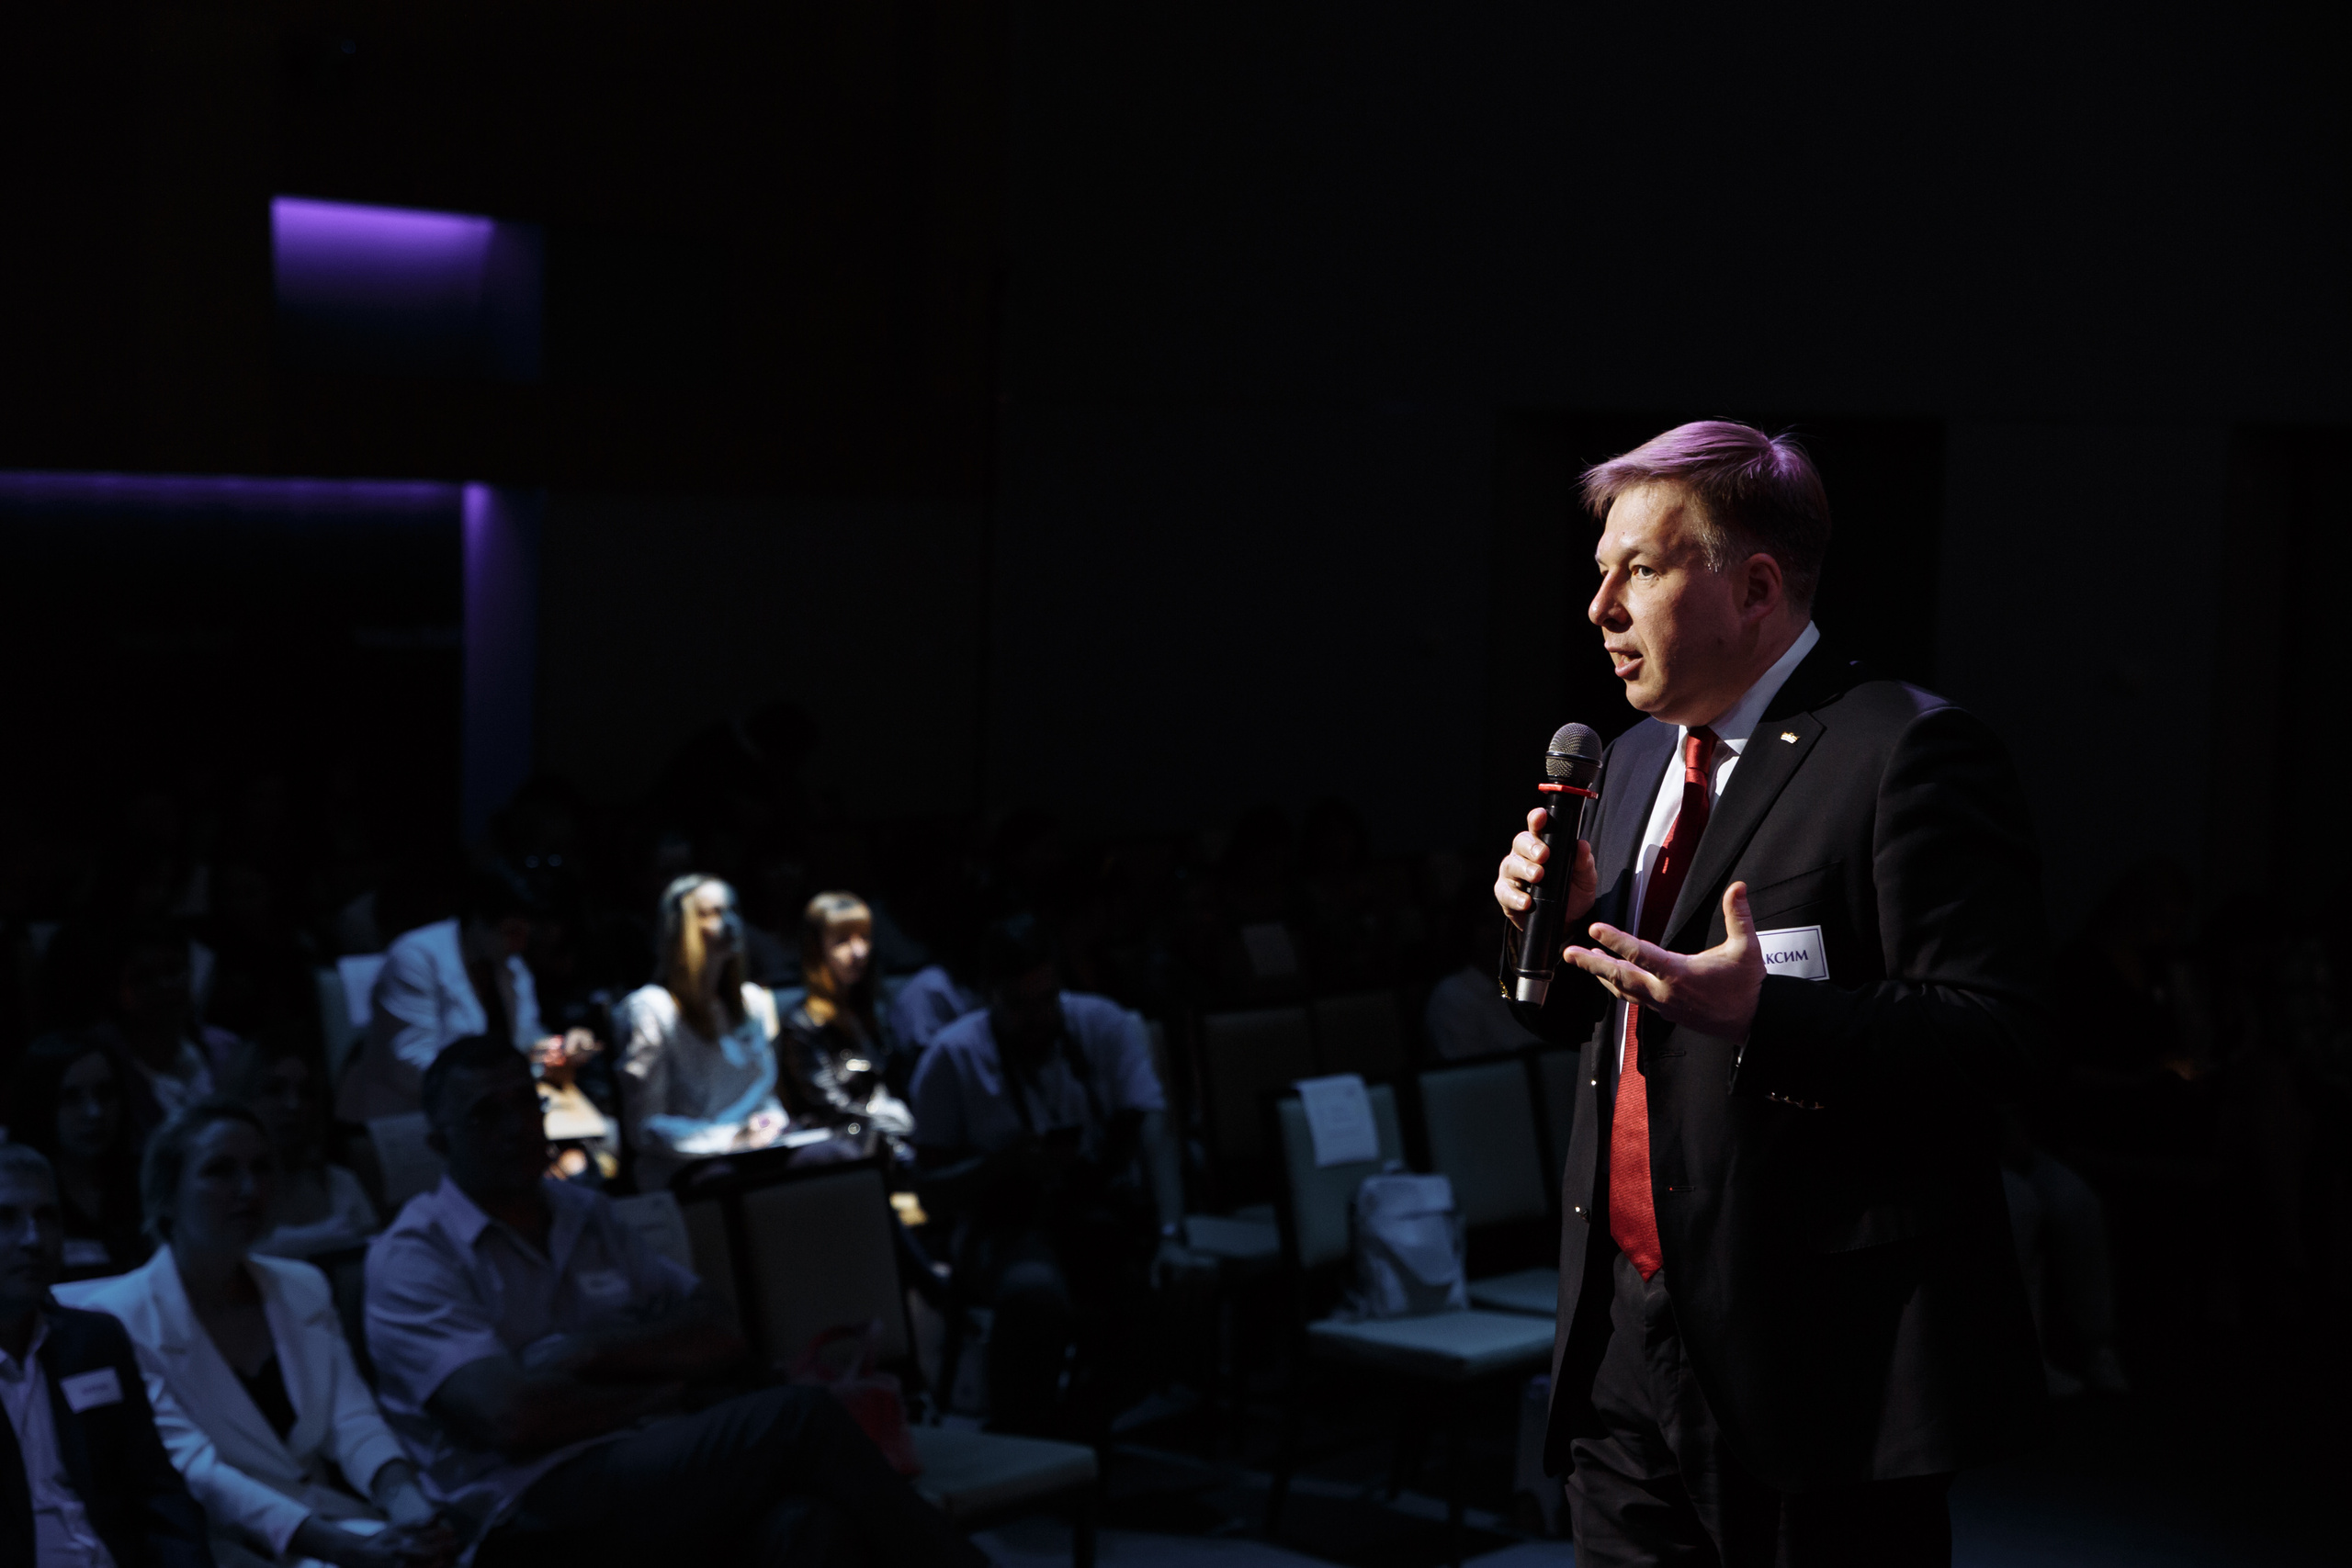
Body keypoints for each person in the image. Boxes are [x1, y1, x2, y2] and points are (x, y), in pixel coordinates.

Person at [1489, 422, 2044, 1566]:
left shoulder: (1906, 751)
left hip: (1814, 1366)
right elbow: (1597, 1014)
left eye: (1636, 570)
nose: (1597, 608)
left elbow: (1997, 1040)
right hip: (1622, 1348)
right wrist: (1539, 933)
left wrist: (1767, 1017)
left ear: (1753, 586)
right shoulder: (1638, 758)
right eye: (1600, 572)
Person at [363, 1036, 985, 1566]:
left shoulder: (584, 1214)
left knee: (807, 1526)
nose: (516, 1126)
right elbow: (513, 1417)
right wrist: (665, 1389)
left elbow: (718, 1331)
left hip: (652, 1465)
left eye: (525, 1101)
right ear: (439, 1144)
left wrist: (591, 1350)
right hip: (527, 1507)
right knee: (797, 1418)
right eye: (485, 1114)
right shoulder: (416, 1255)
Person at [72, 1102, 454, 1568]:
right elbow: (198, 1472)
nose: (249, 1189)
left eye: (261, 1167)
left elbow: (352, 1422)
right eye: (220, 1171)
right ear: (167, 1194)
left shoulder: (303, 1285)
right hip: (220, 1547)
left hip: (335, 1526)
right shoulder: (119, 1317)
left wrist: (410, 1508)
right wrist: (340, 1548)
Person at [909, 914, 1209, 1437]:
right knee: (1034, 1293)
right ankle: (1021, 1437)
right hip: (1003, 1227)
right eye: (1019, 1006)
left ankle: (1079, 1425)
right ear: (988, 996)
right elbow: (930, 1193)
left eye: (1047, 999)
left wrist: (1171, 1233)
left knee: (1180, 1287)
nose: (1038, 1017)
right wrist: (1003, 1164)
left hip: (1090, 1214)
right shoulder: (951, 1058)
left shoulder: (1103, 1026)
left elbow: (1154, 1130)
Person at [0, 1141, 212, 1568]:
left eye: (47, 1218)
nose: (33, 1239)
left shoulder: (95, 1342)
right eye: (5, 1220)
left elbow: (157, 1493)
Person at [336, 866, 598, 1124]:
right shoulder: (415, 957)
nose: (519, 945)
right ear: (478, 920)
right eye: (512, 932)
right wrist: (500, 1082)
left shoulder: (509, 963)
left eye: (525, 935)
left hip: (480, 1113)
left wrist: (556, 1047)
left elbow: (525, 1037)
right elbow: (411, 1065)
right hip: (408, 1116)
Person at [611, 876, 789, 1191]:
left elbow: (765, 1095)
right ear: (681, 929)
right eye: (712, 913)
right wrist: (729, 1139)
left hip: (756, 1151)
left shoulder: (753, 1001)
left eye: (733, 910)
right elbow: (645, 1126)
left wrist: (769, 1122)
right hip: (685, 1166)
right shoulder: (651, 1009)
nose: (731, 923)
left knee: (831, 1157)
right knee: (728, 1181)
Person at [7, 1036, 152, 1280]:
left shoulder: (146, 1182)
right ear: (40, 1104)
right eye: (71, 1097)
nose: (94, 1112)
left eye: (105, 1093)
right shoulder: (11, 1193)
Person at [778, 894, 913, 1149]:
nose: (859, 951)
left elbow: (898, 1081)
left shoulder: (874, 1010)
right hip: (847, 1144)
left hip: (893, 1135)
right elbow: (828, 1107)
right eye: (842, 941)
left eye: (864, 937)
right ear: (817, 950)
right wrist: (884, 1121)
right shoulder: (803, 1024)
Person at [223, 1041, 379, 1259]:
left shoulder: (342, 1185)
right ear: (244, 1099)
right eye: (274, 1090)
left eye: (306, 1093)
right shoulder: (224, 1193)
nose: (293, 1104)